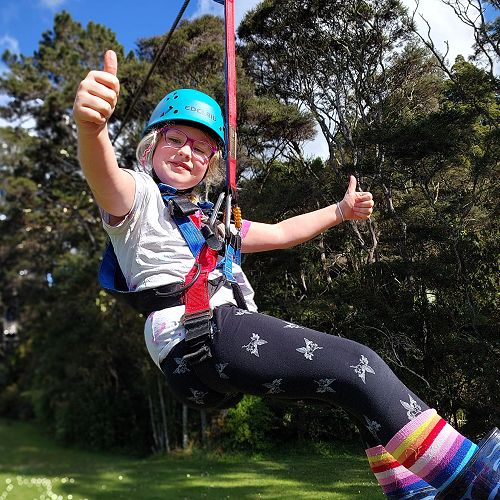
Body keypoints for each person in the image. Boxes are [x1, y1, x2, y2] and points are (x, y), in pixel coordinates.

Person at [73, 50, 499, 500]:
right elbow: (105, 176)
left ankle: (415, 493)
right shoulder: (137, 197)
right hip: (199, 334)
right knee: (360, 365)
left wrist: (339, 211)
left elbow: (280, 233)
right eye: (175, 139)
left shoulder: (213, 223)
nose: (185, 152)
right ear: (151, 146)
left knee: (352, 393)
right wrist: (92, 128)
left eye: (200, 148)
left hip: (203, 354)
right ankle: (478, 485)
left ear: (211, 163)